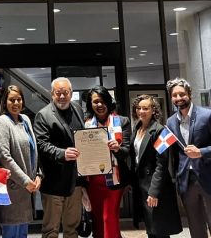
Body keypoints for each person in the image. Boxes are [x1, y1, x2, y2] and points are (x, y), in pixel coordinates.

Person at [33, 77, 85, 238]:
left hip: (75, 182)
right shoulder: (43, 115)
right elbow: (41, 145)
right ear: (52, 94)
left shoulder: (78, 109)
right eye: (58, 93)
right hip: (53, 182)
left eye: (65, 93)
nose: (62, 96)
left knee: (72, 228)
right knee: (51, 230)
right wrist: (62, 153)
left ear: (71, 93)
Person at [130, 94, 182, 238]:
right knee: (151, 229)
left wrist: (154, 192)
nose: (141, 111)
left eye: (145, 108)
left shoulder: (162, 131)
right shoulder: (137, 128)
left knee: (160, 230)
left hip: (156, 187)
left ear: (153, 110)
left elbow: (162, 165)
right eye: (138, 108)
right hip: (141, 186)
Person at [0, 85, 41, 238]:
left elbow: (34, 149)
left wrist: (38, 175)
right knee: (12, 232)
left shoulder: (25, 119)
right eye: (11, 100)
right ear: (4, 102)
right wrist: (26, 181)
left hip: (28, 188)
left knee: (23, 233)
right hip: (14, 187)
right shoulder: (1, 122)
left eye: (18, 99)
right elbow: (4, 157)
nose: (15, 103)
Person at [166, 77, 211, 238]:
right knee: (196, 227)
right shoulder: (170, 122)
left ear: (189, 94)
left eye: (182, 94)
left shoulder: (207, 115)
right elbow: (174, 155)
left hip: (208, 178)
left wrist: (201, 152)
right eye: (174, 95)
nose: (178, 98)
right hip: (186, 182)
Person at [84, 86, 130, 238]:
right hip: (93, 181)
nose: (99, 105)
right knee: (97, 221)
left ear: (109, 102)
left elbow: (127, 151)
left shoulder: (122, 121)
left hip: (114, 181)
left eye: (103, 101)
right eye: (96, 102)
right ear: (91, 104)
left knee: (108, 219)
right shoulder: (85, 124)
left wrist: (117, 148)